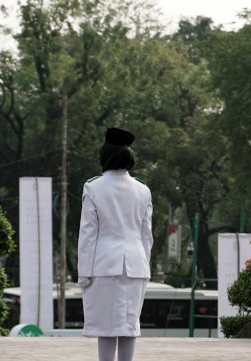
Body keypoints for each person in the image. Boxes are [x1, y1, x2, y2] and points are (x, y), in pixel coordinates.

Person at [77, 127, 153, 361]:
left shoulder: (93, 187)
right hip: (136, 265)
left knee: (106, 329)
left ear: (105, 155)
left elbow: (88, 234)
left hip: (104, 264)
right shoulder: (143, 190)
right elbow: (146, 235)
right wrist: (145, 266)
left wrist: (83, 274)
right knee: (130, 327)